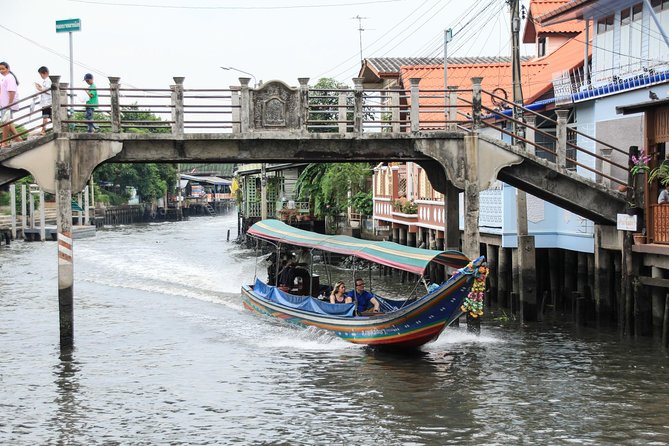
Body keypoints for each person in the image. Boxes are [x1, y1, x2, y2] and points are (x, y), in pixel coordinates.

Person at [0, 61, 21, 147]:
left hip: (7, 104)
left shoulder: (9, 77)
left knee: (5, 123)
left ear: (8, 69)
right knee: (8, 122)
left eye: (3, 69)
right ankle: (18, 139)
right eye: (0, 69)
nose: (1, 71)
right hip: (4, 104)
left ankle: (4, 142)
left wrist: (9, 105)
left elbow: (12, 92)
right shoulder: (5, 78)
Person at [35, 66, 52, 135]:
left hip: (47, 102)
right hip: (47, 101)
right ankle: (60, 127)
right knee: (51, 116)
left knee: (45, 116)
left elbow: (49, 91)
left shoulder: (48, 80)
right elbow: (46, 89)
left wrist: (40, 89)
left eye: (40, 74)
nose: (41, 76)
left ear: (44, 73)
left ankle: (43, 130)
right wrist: (41, 87)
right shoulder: (47, 81)